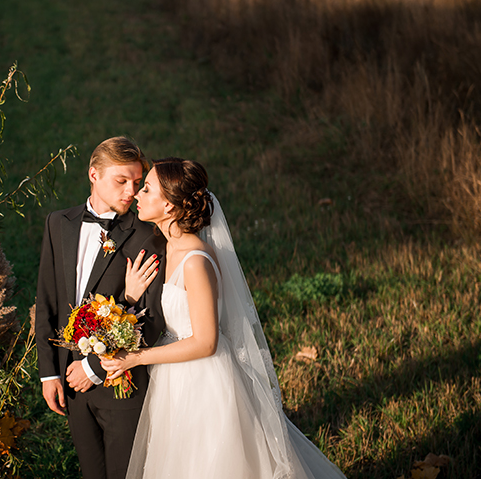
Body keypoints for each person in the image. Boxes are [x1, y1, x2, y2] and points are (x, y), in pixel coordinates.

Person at [101, 157, 348, 479]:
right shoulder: (165, 248)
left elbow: (205, 342)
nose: (137, 194)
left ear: (171, 208)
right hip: (174, 377)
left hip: (202, 381)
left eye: (147, 189)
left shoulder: (195, 262)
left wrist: (135, 358)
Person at [35, 137, 166, 479]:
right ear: (93, 174)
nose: (131, 192)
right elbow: (47, 300)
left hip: (122, 383)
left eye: (137, 183)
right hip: (71, 383)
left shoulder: (147, 237)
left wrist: (94, 366)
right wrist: (49, 372)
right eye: (121, 181)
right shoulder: (58, 223)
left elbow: (153, 320)